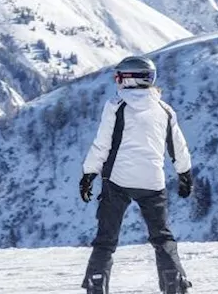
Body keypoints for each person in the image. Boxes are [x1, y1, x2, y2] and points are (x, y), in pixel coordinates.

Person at [80, 56, 194, 294]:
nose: (117, 82)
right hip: (152, 182)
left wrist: (89, 173)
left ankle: (96, 285)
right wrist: (184, 174)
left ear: (130, 79)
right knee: (162, 237)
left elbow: (102, 144)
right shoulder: (165, 110)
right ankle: (174, 283)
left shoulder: (115, 106)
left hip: (117, 182)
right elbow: (177, 146)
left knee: (106, 240)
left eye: (119, 77)